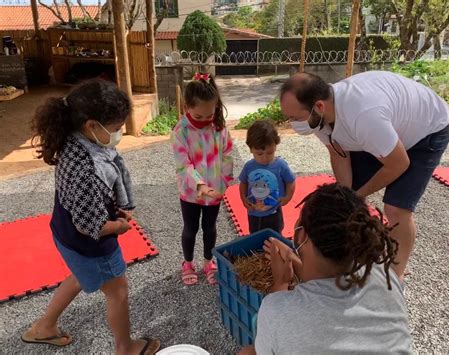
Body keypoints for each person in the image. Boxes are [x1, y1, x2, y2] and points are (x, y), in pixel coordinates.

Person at [22, 80, 160, 354]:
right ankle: (125, 347)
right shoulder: (85, 169)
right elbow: (89, 226)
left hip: (65, 233)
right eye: (117, 128)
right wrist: (119, 226)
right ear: (92, 126)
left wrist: (113, 206)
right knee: (117, 290)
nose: (120, 133)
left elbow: (86, 207)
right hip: (89, 242)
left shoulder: (74, 139)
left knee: (79, 274)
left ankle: (44, 326)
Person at [279, 71, 449, 279]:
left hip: (427, 130)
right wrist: (346, 195)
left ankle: (395, 278)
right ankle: (350, 260)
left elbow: (398, 163)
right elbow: (338, 151)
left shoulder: (363, 116)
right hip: (384, 131)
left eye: (295, 117)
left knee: (396, 209)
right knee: (347, 202)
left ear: (319, 107)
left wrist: (358, 194)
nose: (292, 123)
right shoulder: (319, 115)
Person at [240, 183, 412, 355]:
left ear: (301, 235)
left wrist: (281, 281)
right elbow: (328, 279)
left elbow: (281, 315)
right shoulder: (383, 274)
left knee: (248, 352)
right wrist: (293, 260)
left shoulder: (276, 310)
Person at [171, 73, 233, 286]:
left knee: (210, 228)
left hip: (214, 191)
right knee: (190, 229)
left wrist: (224, 181)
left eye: (209, 114)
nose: (205, 120)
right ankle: (188, 263)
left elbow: (227, 154)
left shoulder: (219, 126)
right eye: (198, 116)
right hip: (190, 192)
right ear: (187, 106)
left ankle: (208, 261)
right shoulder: (181, 131)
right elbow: (183, 165)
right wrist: (200, 184)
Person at [239, 119, 296, 233]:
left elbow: (291, 181)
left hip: (274, 210)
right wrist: (243, 198)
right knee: (255, 236)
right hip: (254, 211)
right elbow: (243, 182)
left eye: (270, 153)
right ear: (251, 149)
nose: (264, 158)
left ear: (275, 146)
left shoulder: (280, 165)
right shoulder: (249, 166)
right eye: (259, 154)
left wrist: (288, 197)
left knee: (275, 236)